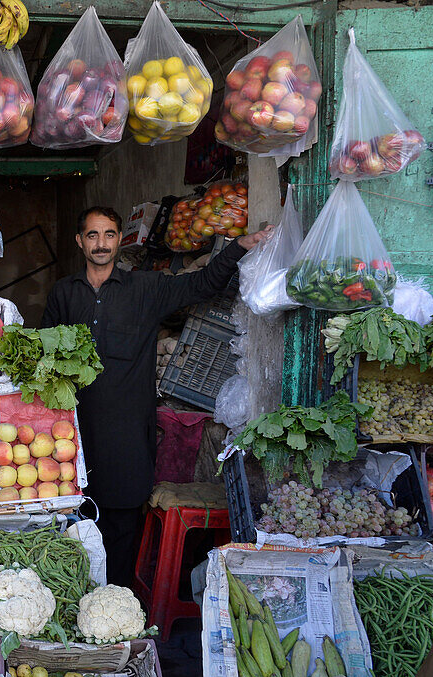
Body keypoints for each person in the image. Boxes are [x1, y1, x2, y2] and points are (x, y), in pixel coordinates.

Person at [42, 206, 272, 587]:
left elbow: (203, 283)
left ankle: (114, 599)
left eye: (110, 235)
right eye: (93, 235)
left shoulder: (145, 288)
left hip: (128, 430)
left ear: (119, 240)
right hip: (72, 430)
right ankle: (73, 598)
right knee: (71, 516)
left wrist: (238, 247)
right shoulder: (64, 293)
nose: (102, 244)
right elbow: (44, 350)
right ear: (80, 241)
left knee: (121, 522)